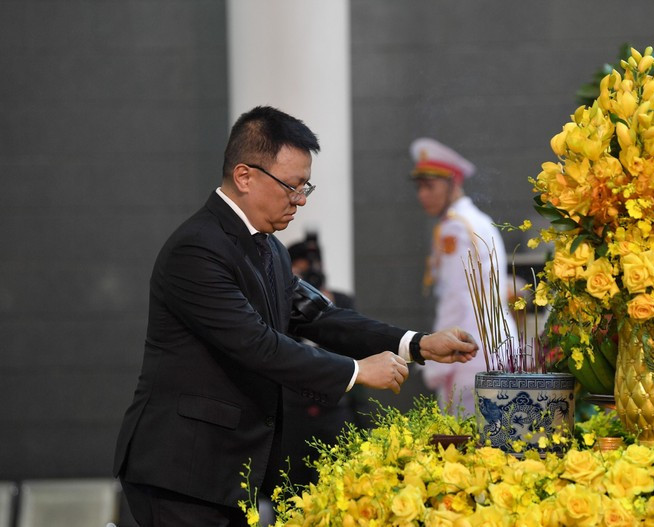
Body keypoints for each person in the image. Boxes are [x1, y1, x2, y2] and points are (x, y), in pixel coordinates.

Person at [113, 107, 477, 527]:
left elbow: (320, 317)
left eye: (306, 187)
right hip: (183, 469)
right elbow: (257, 344)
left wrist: (417, 344)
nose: (301, 200)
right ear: (245, 176)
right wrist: (355, 372)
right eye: (292, 186)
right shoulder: (197, 249)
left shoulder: (270, 249)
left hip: (227, 471)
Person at [410, 137, 515, 418]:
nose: (422, 195)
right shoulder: (476, 219)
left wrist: (434, 362)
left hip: (470, 357)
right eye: (419, 187)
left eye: (430, 186)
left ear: (453, 183)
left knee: (465, 450)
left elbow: (457, 300)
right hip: (494, 349)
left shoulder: (455, 229)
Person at [279, 233, 371, 488]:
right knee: (291, 491)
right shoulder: (278, 304)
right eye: (299, 270)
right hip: (293, 416)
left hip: (335, 412)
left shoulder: (340, 302)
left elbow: (356, 347)